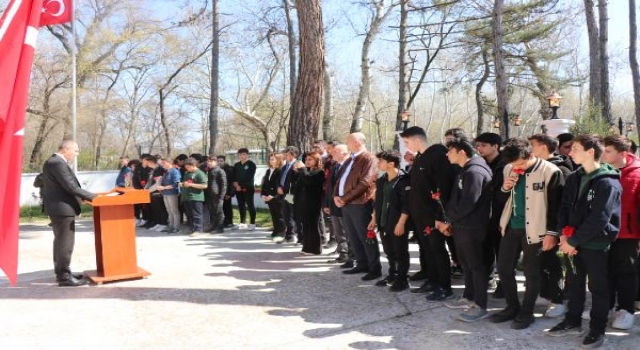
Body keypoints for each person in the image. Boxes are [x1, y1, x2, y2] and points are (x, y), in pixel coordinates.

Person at [547, 135, 622, 349]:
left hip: (595, 243)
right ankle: (573, 320)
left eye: (576, 149)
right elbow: (563, 208)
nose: (570, 153)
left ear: (591, 152)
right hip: (571, 240)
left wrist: (574, 240)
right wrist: (563, 234)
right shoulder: (574, 177)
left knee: (598, 287)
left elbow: (600, 218)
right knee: (574, 282)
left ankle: (597, 329)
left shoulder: (608, 182)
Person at [489, 138, 564, 330]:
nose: (516, 167)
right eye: (512, 163)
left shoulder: (551, 172)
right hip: (512, 227)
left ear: (531, 155)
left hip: (537, 230)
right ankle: (512, 306)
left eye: (520, 163)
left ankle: (527, 311)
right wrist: (505, 187)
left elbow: (557, 207)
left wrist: (552, 233)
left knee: (532, 272)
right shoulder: (508, 169)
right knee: (504, 268)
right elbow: (499, 199)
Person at [400, 126, 456, 302]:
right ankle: (433, 280)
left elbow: (444, 187)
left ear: (417, 140)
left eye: (407, 142)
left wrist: (441, 216)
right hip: (420, 214)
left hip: (434, 215)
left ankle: (445, 287)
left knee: (438, 250)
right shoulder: (420, 157)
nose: (407, 146)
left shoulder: (438, 155)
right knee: (427, 250)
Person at [528, 133, 571, 318]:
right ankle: (546, 294)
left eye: (533, 146)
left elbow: (560, 204)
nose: (529, 150)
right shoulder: (536, 168)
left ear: (544, 147)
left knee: (552, 264)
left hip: (552, 227)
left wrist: (553, 231)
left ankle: (558, 300)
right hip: (536, 225)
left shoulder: (559, 169)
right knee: (541, 263)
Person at [41, 140, 96, 287]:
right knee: (65, 243)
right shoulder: (57, 163)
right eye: (76, 151)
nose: (76, 154)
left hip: (60, 208)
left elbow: (65, 187)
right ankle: (64, 276)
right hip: (62, 210)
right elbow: (70, 186)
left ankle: (63, 272)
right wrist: (94, 197)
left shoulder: (52, 162)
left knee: (60, 241)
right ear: (66, 149)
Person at [601, 135, 640, 330]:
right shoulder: (600, 171)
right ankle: (605, 306)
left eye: (608, 151)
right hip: (602, 232)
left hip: (627, 233)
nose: (603, 154)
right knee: (603, 271)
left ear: (623, 153)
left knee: (626, 272)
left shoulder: (637, 173)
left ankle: (625, 310)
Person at [335, 133, 381, 281]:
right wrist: (336, 195)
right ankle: (362, 263)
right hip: (347, 204)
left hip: (360, 203)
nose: (347, 144)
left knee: (366, 236)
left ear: (356, 142)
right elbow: (340, 179)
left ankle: (375, 268)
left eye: (348, 141)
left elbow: (366, 182)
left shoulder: (369, 158)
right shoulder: (351, 159)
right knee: (353, 236)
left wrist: (344, 198)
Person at [369, 150, 411, 292]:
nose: (378, 163)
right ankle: (392, 274)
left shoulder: (404, 180)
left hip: (397, 222)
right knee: (389, 251)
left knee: (400, 252)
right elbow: (378, 202)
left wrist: (401, 223)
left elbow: (407, 204)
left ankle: (403, 279)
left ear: (391, 163)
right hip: (383, 221)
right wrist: (374, 218)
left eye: (381, 161)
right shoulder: (382, 180)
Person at [474, 132, 506, 298]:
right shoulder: (479, 164)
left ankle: (504, 283)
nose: (480, 149)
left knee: (502, 252)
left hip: (501, 214)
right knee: (485, 249)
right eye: (478, 145)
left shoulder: (505, 164)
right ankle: (488, 278)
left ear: (495, 146)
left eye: (483, 145)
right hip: (484, 215)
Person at [324, 144, 351, 265]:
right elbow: (329, 187)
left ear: (345, 153)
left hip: (345, 203)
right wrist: (327, 204)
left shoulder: (350, 166)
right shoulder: (335, 166)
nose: (332, 154)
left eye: (335, 152)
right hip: (333, 204)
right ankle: (343, 253)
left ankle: (352, 255)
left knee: (348, 230)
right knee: (338, 230)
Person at [295, 152, 326, 255]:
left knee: (313, 225)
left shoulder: (319, 172)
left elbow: (309, 181)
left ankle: (316, 248)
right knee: (306, 225)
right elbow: (297, 184)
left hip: (313, 203)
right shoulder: (306, 171)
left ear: (316, 161)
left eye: (310, 160)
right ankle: (307, 247)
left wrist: (302, 169)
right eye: (306, 159)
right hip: (303, 202)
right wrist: (296, 172)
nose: (307, 161)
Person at [278, 146, 302, 244]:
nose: (285, 156)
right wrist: (279, 187)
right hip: (284, 193)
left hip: (290, 194)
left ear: (294, 155)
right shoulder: (284, 166)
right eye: (285, 154)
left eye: (287, 154)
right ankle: (288, 235)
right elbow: (280, 179)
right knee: (286, 214)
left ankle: (295, 235)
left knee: (292, 215)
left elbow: (296, 181)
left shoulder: (297, 165)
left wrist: (285, 189)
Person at [261, 153, 286, 241]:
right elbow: (265, 184)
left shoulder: (280, 171)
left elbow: (279, 186)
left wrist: (273, 195)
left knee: (280, 215)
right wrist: (263, 194)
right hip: (269, 197)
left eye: (273, 159)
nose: (270, 161)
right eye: (270, 159)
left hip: (277, 198)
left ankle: (282, 233)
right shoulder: (269, 170)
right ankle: (275, 232)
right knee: (274, 215)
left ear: (278, 160)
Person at [181, 157, 208, 237]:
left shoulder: (200, 173)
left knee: (196, 214)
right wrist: (182, 184)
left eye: (188, 167)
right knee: (189, 214)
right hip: (186, 197)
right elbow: (185, 183)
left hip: (196, 197)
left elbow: (204, 185)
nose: (187, 169)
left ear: (193, 165)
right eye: (186, 167)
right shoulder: (187, 173)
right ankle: (192, 228)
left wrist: (191, 185)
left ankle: (198, 229)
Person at [233, 148, 257, 230]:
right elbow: (234, 177)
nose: (241, 156)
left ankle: (252, 223)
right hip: (238, 189)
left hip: (248, 188)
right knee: (241, 205)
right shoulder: (236, 165)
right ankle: (242, 223)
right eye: (239, 154)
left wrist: (241, 186)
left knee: (250, 205)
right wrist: (236, 186)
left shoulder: (251, 164)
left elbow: (249, 177)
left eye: (243, 154)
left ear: (247, 155)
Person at [157, 157, 181, 234]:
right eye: (161, 163)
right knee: (169, 210)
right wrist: (160, 186)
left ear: (169, 162)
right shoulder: (166, 172)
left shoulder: (175, 171)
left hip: (172, 193)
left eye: (163, 163)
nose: (162, 164)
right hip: (165, 193)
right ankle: (170, 226)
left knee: (174, 210)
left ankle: (176, 227)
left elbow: (176, 184)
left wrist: (163, 187)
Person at [205, 156, 227, 234]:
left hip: (217, 195)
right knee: (212, 212)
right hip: (209, 195)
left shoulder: (220, 171)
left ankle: (220, 227)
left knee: (219, 211)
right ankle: (214, 226)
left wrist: (221, 196)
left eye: (211, 161)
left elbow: (224, 185)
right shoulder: (209, 171)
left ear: (215, 162)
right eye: (208, 162)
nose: (209, 163)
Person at [217, 155, 236, 228]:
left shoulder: (230, 169)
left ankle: (229, 222)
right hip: (218, 192)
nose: (219, 162)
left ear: (224, 161)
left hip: (227, 192)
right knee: (221, 208)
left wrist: (230, 193)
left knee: (227, 207)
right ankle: (223, 221)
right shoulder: (215, 169)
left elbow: (231, 182)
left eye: (221, 161)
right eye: (218, 161)